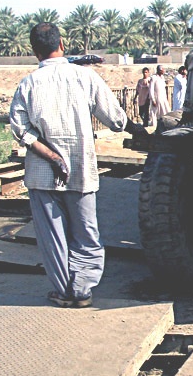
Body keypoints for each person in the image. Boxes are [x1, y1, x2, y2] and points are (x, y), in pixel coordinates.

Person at [9, 22, 144, 308]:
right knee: (86, 233)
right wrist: (132, 127)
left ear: (35, 51)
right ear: (62, 44)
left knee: (52, 237)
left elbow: (21, 131)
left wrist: (52, 157)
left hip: (42, 175)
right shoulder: (86, 78)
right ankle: (82, 290)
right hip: (81, 169)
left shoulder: (28, 83)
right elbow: (116, 119)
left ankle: (63, 290)